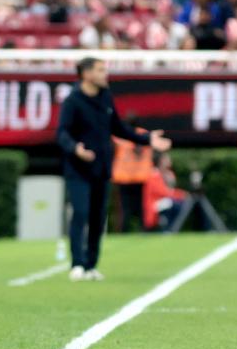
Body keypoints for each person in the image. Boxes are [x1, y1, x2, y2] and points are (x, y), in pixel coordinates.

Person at [56, 58, 171, 282]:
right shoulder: (72, 101)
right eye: (100, 70)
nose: (105, 74)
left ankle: (91, 265)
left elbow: (118, 128)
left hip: (102, 168)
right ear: (86, 74)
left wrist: (147, 138)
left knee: (98, 217)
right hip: (78, 169)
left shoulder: (105, 97)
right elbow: (62, 133)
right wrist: (75, 149)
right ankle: (77, 264)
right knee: (81, 212)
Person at [111, 117, 153, 232]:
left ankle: (124, 231)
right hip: (138, 177)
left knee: (125, 208)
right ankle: (143, 230)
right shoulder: (144, 134)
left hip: (125, 177)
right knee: (139, 207)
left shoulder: (121, 135)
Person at [143, 152, 187, 232]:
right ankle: (168, 228)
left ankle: (172, 228)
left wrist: (181, 194)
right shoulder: (154, 174)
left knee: (183, 203)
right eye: (166, 159)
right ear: (161, 161)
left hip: (166, 200)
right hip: (155, 203)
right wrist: (179, 194)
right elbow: (162, 192)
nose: (169, 161)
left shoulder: (169, 173)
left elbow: (171, 190)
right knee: (174, 204)